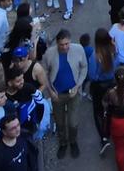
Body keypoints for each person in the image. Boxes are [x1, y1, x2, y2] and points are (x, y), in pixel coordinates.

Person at [42, 29, 88, 158]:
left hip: (74, 93)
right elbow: (44, 73)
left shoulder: (78, 49)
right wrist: (50, 92)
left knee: (73, 123)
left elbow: (84, 67)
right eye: (61, 45)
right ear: (57, 43)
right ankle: (63, 143)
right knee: (60, 122)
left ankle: (73, 141)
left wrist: (78, 85)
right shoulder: (49, 54)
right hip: (57, 95)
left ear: (70, 41)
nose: (65, 47)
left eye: (67, 44)